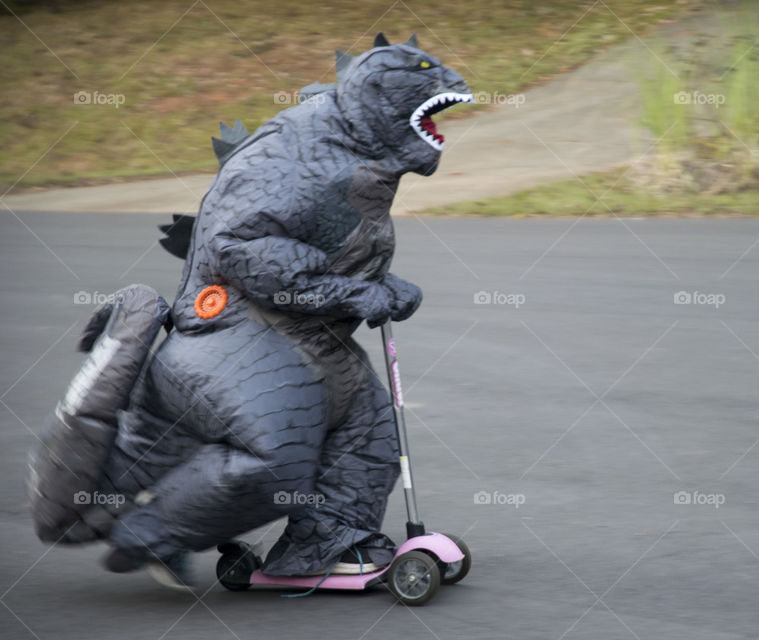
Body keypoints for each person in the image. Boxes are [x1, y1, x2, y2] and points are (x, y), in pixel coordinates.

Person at [28, 32, 472, 591]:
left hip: (307, 349)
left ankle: (323, 541)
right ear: (376, 94)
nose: (448, 88)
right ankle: (147, 530)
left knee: (369, 434)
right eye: (425, 72)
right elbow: (242, 248)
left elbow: (334, 249)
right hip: (232, 345)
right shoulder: (299, 150)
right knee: (276, 460)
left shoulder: (351, 156)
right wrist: (356, 293)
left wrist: (380, 285)